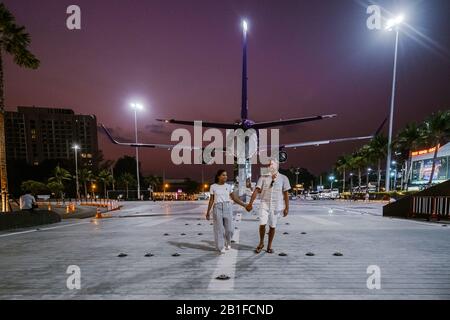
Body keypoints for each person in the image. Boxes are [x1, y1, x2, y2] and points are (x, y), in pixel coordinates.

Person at [246, 159, 291, 254]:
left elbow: (286, 194)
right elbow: (256, 190)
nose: (269, 166)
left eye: (271, 164)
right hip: (264, 204)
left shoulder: (284, 178)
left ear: (276, 166)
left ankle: (269, 246)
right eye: (268, 164)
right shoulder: (263, 177)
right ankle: (261, 242)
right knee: (262, 224)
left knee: (272, 226)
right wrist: (250, 203)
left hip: (276, 206)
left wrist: (287, 207)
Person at [206, 169, 248, 254]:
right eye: (223, 175)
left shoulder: (228, 186)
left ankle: (228, 242)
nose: (225, 176)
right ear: (218, 176)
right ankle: (221, 247)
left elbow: (234, 198)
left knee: (230, 229)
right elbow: (211, 200)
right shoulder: (213, 186)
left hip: (228, 207)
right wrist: (208, 212)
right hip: (217, 208)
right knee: (219, 229)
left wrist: (244, 205)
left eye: (226, 175)